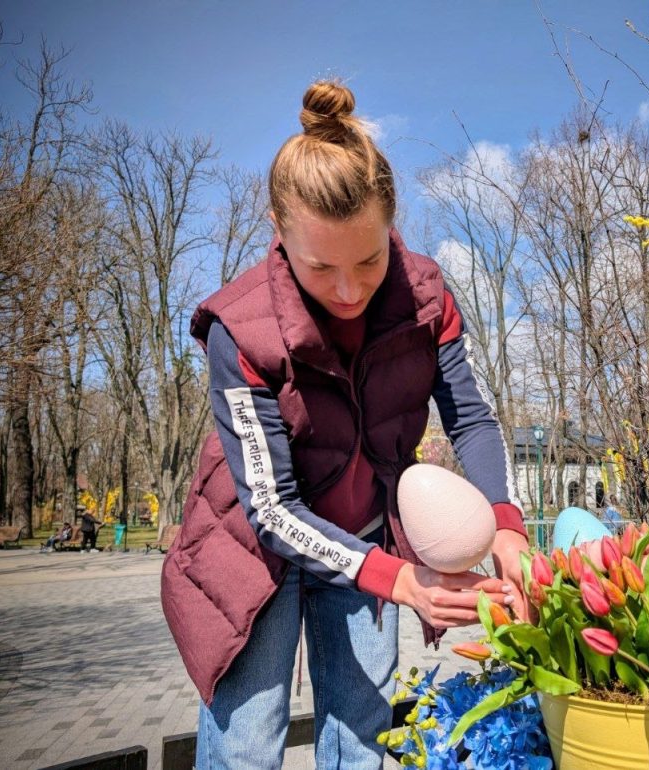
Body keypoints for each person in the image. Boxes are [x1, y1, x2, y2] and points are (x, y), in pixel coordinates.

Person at [161, 80, 530, 770]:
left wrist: (506, 524)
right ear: (277, 229)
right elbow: (271, 510)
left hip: (365, 535)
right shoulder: (237, 330)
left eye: (369, 260)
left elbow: (471, 417)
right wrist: (403, 581)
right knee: (247, 742)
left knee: (362, 735)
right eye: (320, 267)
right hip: (255, 549)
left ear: (392, 222)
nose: (350, 291)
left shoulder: (427, 298)